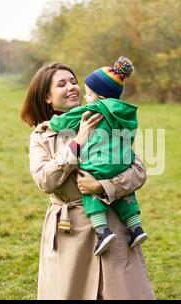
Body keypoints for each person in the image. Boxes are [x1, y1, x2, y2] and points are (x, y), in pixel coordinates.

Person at [20, 63, 156, 299]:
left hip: (112, 225)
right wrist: (77, 143)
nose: (72, 87)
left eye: (73, 81)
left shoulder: (104, 118)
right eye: (61, 84)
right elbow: (45, 181)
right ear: (47, 98)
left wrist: (103, 187)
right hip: (68, 232)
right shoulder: (41, 136)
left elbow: (138, 170)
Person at [45, 57, 147, 256]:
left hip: (99, 165)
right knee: (125, 197)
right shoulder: (123, 113)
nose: (81, 93)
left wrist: (51, 123)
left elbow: (65, 120)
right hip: (121, 162)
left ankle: (102, 231)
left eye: (87, 92)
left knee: (89, 191)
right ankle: (136, 228)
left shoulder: (93, 110)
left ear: (100, 96)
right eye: (62, 84)